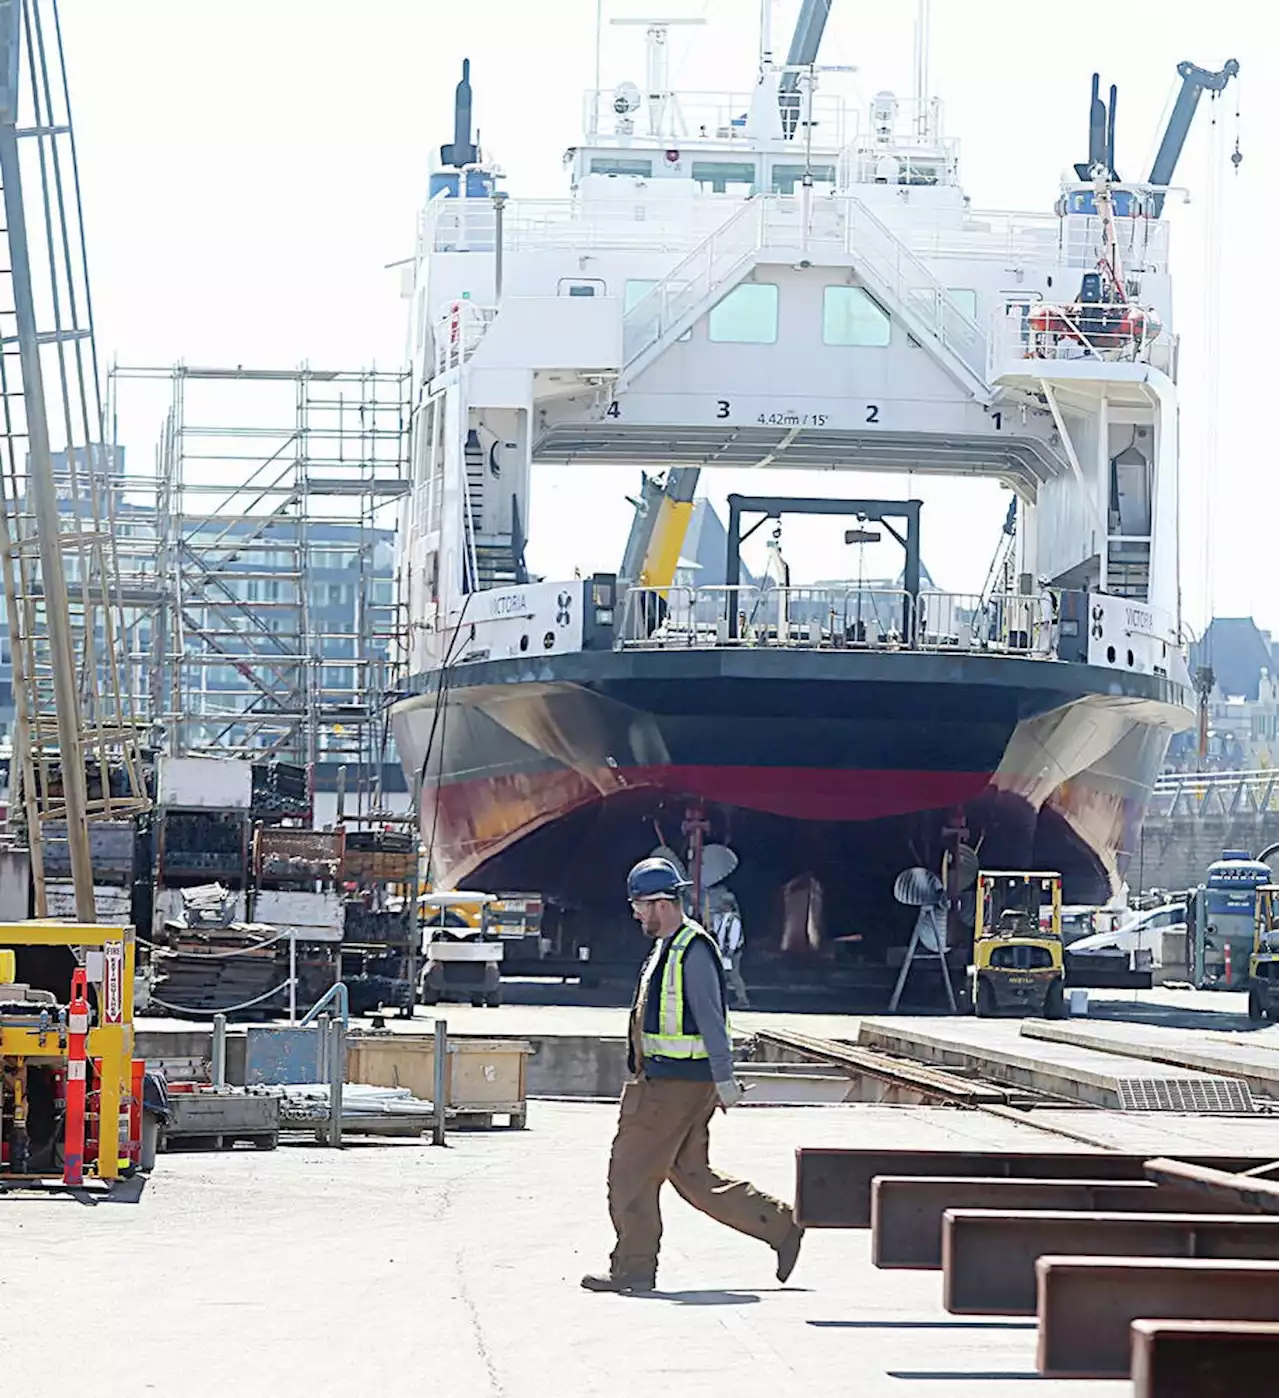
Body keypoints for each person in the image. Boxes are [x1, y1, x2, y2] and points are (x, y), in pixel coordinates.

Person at [581, 856, 803, 1294]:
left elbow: (710, 1017)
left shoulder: (691, 949)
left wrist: (724, 1080)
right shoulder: (669, 946)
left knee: (630, 1172)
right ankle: (781, 1225)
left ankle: (633, 1268)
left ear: (662, 902)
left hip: (673, 1086)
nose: (635, 913)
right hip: (672, 1082)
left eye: (640, 904)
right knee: (691, 1174)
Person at [712, 889, 750, 1009]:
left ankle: (743, 1000)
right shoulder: (722, 918)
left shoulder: (734, 919)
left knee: (734, 976)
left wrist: (730, 951)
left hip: (731, 953)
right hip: (724, 951)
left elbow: (734, 935)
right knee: (723, 976)